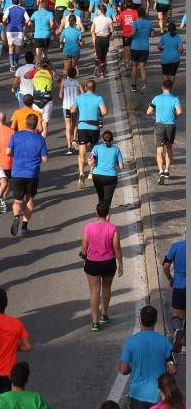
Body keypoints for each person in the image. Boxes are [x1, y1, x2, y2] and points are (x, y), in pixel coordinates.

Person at [119, 305, 177, 409]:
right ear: (155, 321)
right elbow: (173, 370)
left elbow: (123, 369)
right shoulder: (165, 341)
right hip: (159, 394)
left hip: (137, 394)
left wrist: (133, 368)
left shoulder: (131, 341)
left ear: (140, 320)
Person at [80, 201, 123, 331]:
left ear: (96, 213)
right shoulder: (113, 228)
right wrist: (120, 264)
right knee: (106, 288)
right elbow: (117, 247)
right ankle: (104, 315)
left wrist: (84, 258)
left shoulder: (88, 227)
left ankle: (95, 322)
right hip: (108, 263)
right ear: (108, 213)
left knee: (94, 292)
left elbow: (84, 247)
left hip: (92, 263)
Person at [7, 114, 49, 237]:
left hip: (17, 172)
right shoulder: (40, 139)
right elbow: (45, 159)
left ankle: (16, 216)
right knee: (30, 199)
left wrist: (16, 155)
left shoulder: (16, 135)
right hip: (32, 174)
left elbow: (7, 152)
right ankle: (24, 226)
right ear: (36, 125)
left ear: (26, 123)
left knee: (17, 200)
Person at [71, 79, 107, 189]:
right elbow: (104, 111)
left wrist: (76, 110)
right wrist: (99, 113)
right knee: (93, 149)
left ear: (86, 88)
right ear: (95, 88)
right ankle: (91, 171)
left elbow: (72, 110)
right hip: (94, 127)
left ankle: (81, 173)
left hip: (82, 127)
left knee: (82, 152)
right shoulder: (98, 98)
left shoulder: (79, 98)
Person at [146, 80, 183, 184]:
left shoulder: (156, 98)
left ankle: (161, 171)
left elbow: (148, 111)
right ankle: (167, 170)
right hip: (171, 126)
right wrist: (174, 117)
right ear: (171, 87)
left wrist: (155, 114)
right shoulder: (175, 99)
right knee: (169, 147)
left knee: (159, 150)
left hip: (159, 126)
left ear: (162, 87)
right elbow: (179, 111)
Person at [162, 237, 186, 351]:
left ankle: (178, 330)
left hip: (179, 285)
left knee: (177, 315)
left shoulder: (176, 246)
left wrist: (170, 279)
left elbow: (165, 266)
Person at [88, 130, 124, 206]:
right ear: (112, 139)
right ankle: (106, 211)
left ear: (102, 139)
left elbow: (90, 163)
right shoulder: (116, 149)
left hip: (98, 176)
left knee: (101, 199)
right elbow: (121, 167)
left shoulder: (96, 148)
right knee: (107, 201)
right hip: (111, 177)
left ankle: (100, 211)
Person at [130, 7, 154, 93]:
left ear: (137, 14)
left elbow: (133, 32)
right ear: (145, 14)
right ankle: (144, 83)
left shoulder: (135, 23)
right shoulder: (149, 23)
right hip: (145, 47)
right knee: (142, 66)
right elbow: (152, 35)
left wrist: (127, 36)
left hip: (135, 46)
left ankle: (133, 86)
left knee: (134, 67)